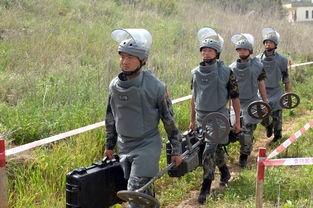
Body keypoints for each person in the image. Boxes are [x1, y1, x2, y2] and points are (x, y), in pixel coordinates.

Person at [104, 28, 183, 208]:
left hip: (147, 146)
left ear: (142, 60)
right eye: (122, 56)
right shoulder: (114, 86)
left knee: (134, 195)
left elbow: (169, 120)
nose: (125, 61)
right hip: (124, 146)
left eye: (130, 57)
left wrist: (176, 150)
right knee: (145, 195)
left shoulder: (156, 87)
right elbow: (110, 116)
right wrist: (109, 145)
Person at [189, 27, 241, 204]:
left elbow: (235, 97)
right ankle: (225, 171)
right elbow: (194, 97)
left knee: (209, 149)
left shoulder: (227, 72)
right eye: (203, 50)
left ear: (217, 53)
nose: (206, 53)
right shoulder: (195, 72)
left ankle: (206, 185)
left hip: (218, 117)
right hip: (201, 118)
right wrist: (191, 120)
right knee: (214, 148)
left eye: (210, 50)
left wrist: (237, 122)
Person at [229, 33, 268, 168]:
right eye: (239, 50)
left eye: (244, 50)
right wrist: (227, 107)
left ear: (250, 50)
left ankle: (244, 156)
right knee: (234, 129)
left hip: (252, 101)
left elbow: (261, 84)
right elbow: (229, 90)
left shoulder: (257, 65)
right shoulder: (232, 68)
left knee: (248, 130)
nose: (241, 52)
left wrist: (264, 102)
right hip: (237, 103)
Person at [257, 27, 291, 143]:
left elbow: (286, 76)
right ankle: (268, 125)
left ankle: (277, 136)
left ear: (275, 44)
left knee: (277, 115)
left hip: (276, 91)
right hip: (262, 91)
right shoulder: (258, 60)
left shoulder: (282, 59)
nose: (268, 44)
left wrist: (287, 93)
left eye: (270, 42)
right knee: (261, 114)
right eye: (266, 42)